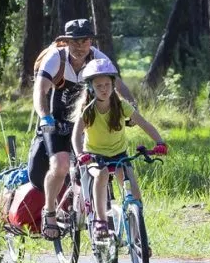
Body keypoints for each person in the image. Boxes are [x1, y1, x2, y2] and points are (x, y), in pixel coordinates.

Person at [32, 18, 133, 239]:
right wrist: (44, 117)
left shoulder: (98, 58)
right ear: (66, 42)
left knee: (101, 164)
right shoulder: (55, 59)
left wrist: (132, 106)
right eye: (75, 42)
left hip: (87, 122)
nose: (80, 47)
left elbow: (119, 84)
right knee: (59, 165)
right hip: (56, 121)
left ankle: (100, 217)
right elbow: (40, 91)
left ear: (91, 42)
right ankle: (49, 211)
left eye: (85, 41)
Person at [71, 57, 167, 240]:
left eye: (107, 84)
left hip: (119, 155)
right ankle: (100, 221)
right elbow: (76, 135)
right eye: (99, 86)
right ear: (91, 87)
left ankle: (138, 238)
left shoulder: (121, 106)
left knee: (135, 195)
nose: (104, 89)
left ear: (113, 84)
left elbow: (144, 124)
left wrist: (160, 142)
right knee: (102, 174)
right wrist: (80, 154)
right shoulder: (88, 110)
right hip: (94, 156)